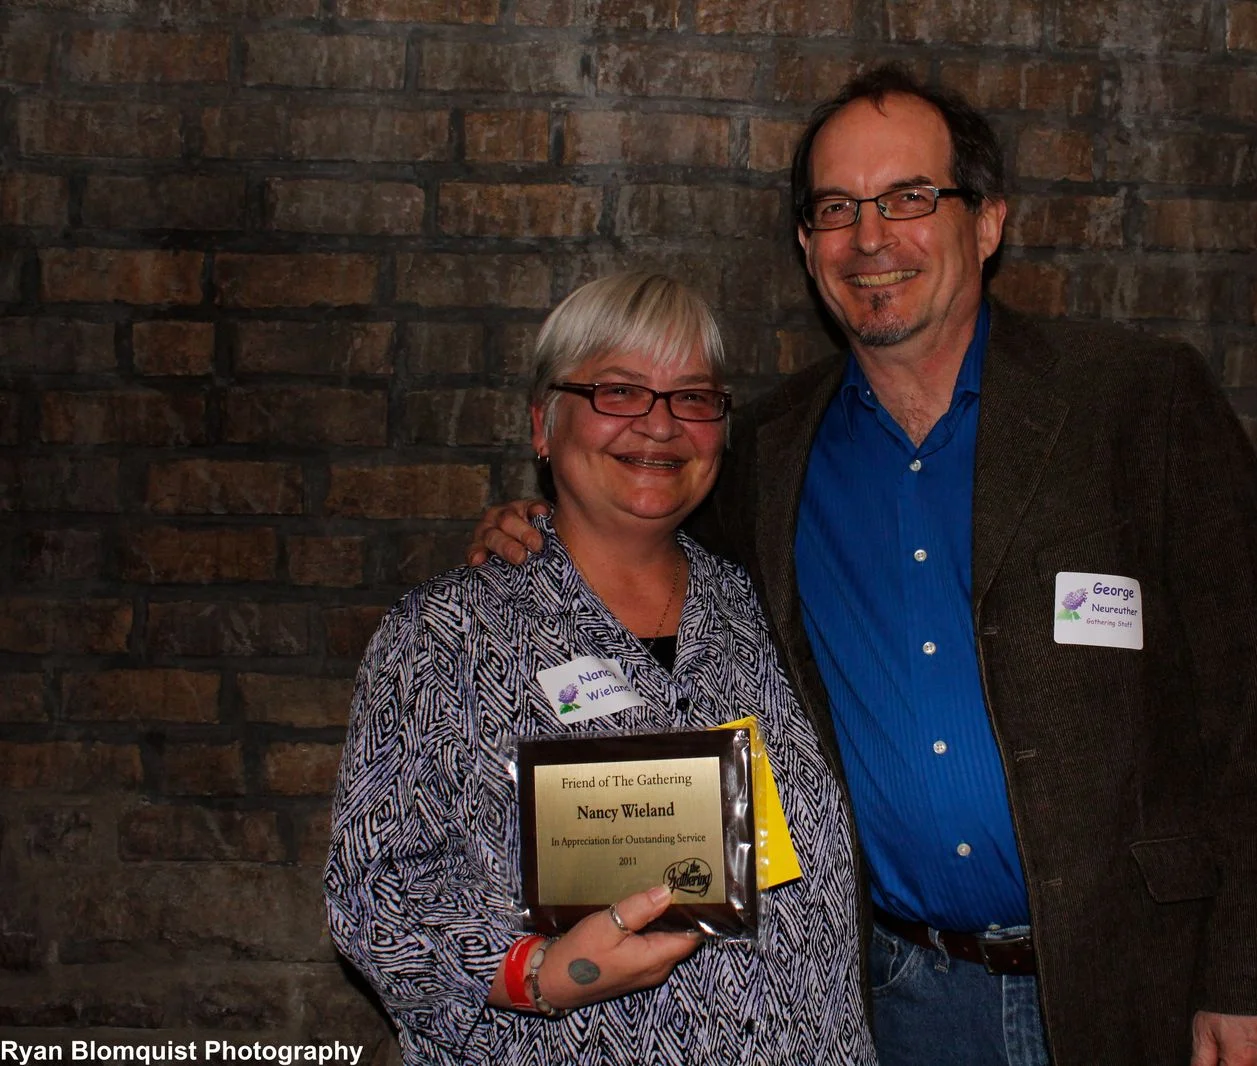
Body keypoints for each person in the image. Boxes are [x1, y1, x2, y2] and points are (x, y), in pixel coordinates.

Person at [469, 67, 1257, 1066]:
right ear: (806, 244)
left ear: (988, 221)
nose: (871, 239)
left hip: (1138, 983)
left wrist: (1252, 978)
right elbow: (639, 520)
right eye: (837, 208)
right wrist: (536, 531)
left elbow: (1252, 710)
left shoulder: (1136, 404)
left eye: (910, 198)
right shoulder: (770, 453)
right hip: (898, 994)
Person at [327, 272, 875, 1065]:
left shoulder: (775, 610)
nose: (659, 426)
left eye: (692, 397)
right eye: (618, 391)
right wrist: (536, 972)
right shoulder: (449, 634)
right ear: (543, 427)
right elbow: (373, 888)